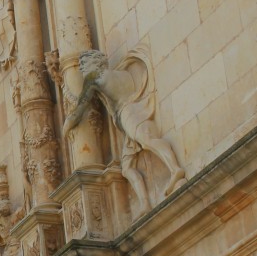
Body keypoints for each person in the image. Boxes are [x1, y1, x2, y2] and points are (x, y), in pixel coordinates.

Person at [64, 49, 186, 211]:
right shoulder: (118, 73)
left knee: (149, 141)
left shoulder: (94, 78)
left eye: (83, 64)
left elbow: (79, 110)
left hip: (127, 114)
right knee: (127, 168)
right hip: (131, 110)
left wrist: (66, 128)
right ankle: (145, 204)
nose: (81, 69)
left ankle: (175, 169)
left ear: (94, 62)